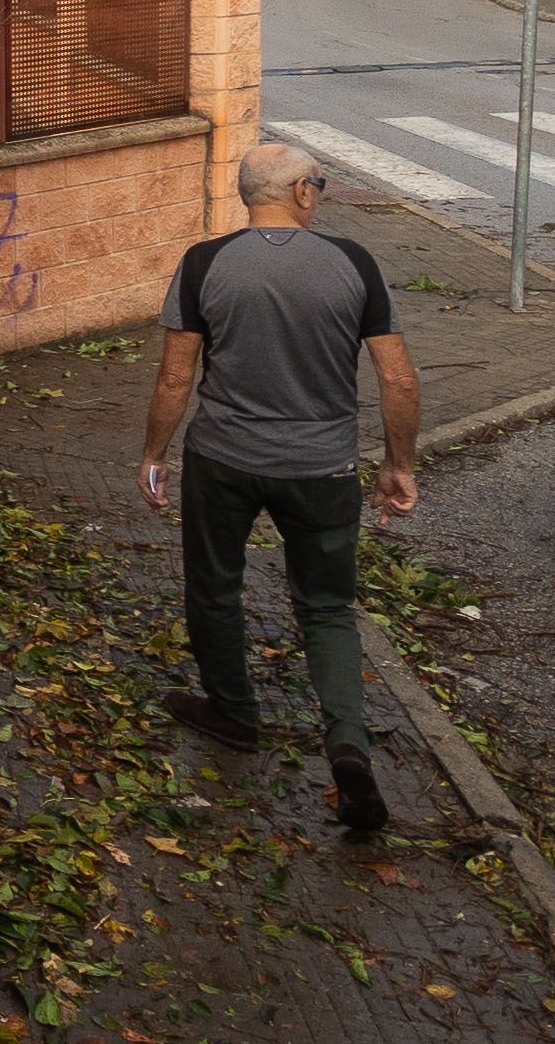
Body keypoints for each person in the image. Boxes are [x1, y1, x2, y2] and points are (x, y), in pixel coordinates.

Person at [138, 143, 421, 832]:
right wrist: (398, 465)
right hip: (322, 468)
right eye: (317, 184)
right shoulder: (353, 263)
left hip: (224, 461)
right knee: (325, 608)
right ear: (299, 192)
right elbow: (399, 379)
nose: (318, 193)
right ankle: (348, 743)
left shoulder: (205, 264)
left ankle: (233, 713)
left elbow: (176, 378)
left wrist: (153, 454)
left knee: (214, 585)